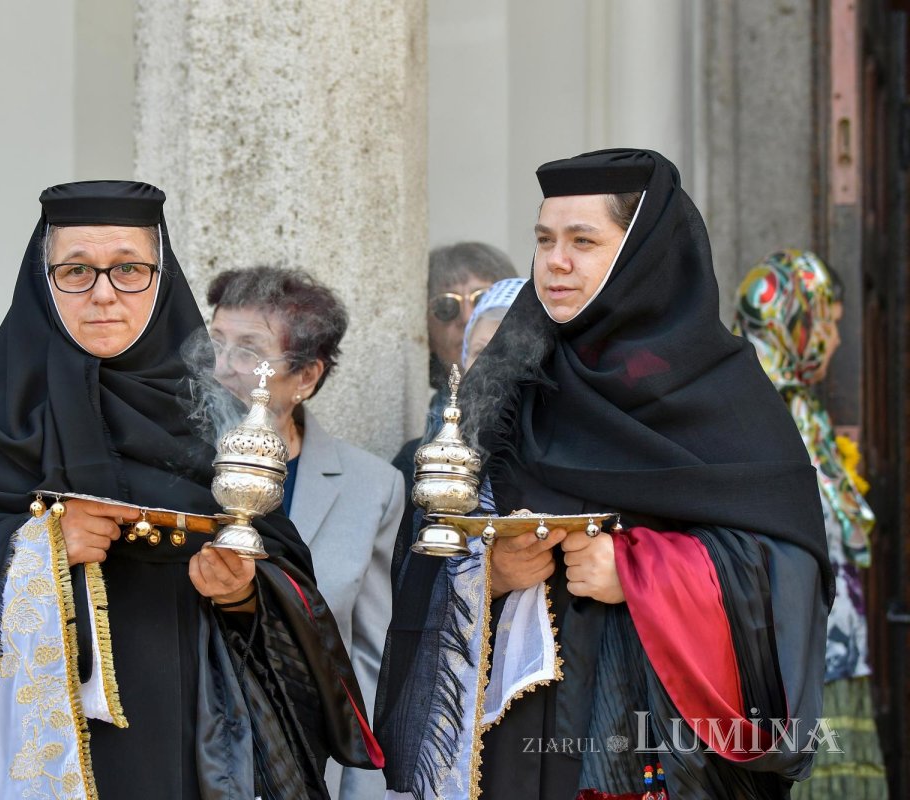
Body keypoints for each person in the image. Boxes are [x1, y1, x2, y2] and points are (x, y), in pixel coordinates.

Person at [0, 181, 382, 800]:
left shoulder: (215, 417)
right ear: (43, 280)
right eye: (75, 270)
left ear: (162, 276)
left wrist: (240, 592)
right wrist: (35, 549)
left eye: (128, 269)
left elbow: (283, 569)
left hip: (188, 741)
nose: (103, 293)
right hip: (33, 753)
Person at [378, 149, 831, 799]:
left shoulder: (724, 392)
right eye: (544, 239)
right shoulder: (509, 383)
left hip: (656, 747)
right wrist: (489, 575)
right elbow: (434, 538)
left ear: (641, 253)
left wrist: (641, 571)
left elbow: (790, 567)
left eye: (583, 241)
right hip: (515, 741)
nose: (555, 261)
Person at [206, 265, 404, 800]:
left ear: (307, 377)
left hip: (313, 762)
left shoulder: (373, 487)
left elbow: (370, 658)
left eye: (249, 350)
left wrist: (365, 789)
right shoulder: (176, 473)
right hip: (196, 749)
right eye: (216, 344)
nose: (223, 369)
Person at [735, 250, 888, 799]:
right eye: (829, 323)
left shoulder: (800, 407)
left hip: (824, 638)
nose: (838, 341)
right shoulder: (755, 404)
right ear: (792, 322)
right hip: (787, 646)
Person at [424, 242, 517, 438]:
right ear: (426, 334)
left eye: (483, 299)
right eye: (446, 306)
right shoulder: (412, 456)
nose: (467, 318)